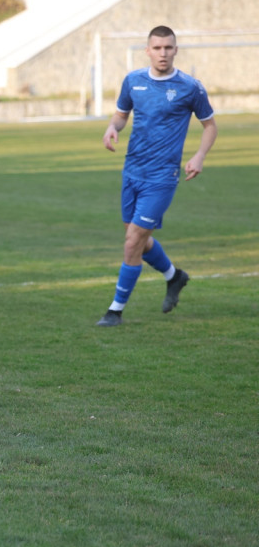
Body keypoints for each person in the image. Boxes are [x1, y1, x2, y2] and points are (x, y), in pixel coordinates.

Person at [96, 25, 217, 327]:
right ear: (147, 50)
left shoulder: (190, 87)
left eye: (168, 48)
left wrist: (199, 156)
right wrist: (113, 127)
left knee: (132, 240)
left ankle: (115, 310)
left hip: (162, 176)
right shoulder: (133, 81)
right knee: (139, 239)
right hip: (132, 170)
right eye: (157, 48)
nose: (163, 53)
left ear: (176, 50)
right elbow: (122, 114)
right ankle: (175, 276)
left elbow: (210, 126)